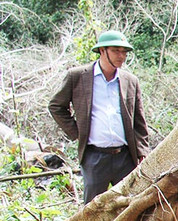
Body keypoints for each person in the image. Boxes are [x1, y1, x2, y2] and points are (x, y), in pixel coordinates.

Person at [48, 30, 150, 204]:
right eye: (116, 51)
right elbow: (56, 106)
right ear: (102, 51)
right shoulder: (78, 76)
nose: (121, 56)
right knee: (93, 209)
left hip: (125, 157)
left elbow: (138, 120)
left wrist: (143, 152)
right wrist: (77, 133)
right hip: (94, 156)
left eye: (124, 52)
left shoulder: (130, 80)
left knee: (128, 207)